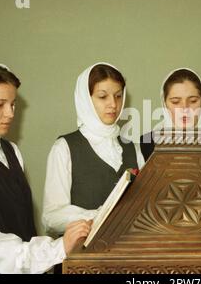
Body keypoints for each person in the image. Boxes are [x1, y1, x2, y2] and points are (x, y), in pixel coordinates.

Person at [0, 64, 91, 274]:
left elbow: (23, 225)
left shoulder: (11, 150)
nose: (10, 114)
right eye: (0, 105)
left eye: (13, 104)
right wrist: (56, 248)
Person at [42, 63, 145, 235]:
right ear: (86, 99)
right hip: (81, 257)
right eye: (103, 97)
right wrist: (98, 216)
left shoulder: (133, 149)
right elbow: (51, 217)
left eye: (118, 96)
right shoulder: (64, 148)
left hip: (127, 255)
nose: (113, 104)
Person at [140, 68, 201, 160]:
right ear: (164, 104)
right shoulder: (144, 146)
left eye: (193, 101)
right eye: (175, 102)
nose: (185, 108)